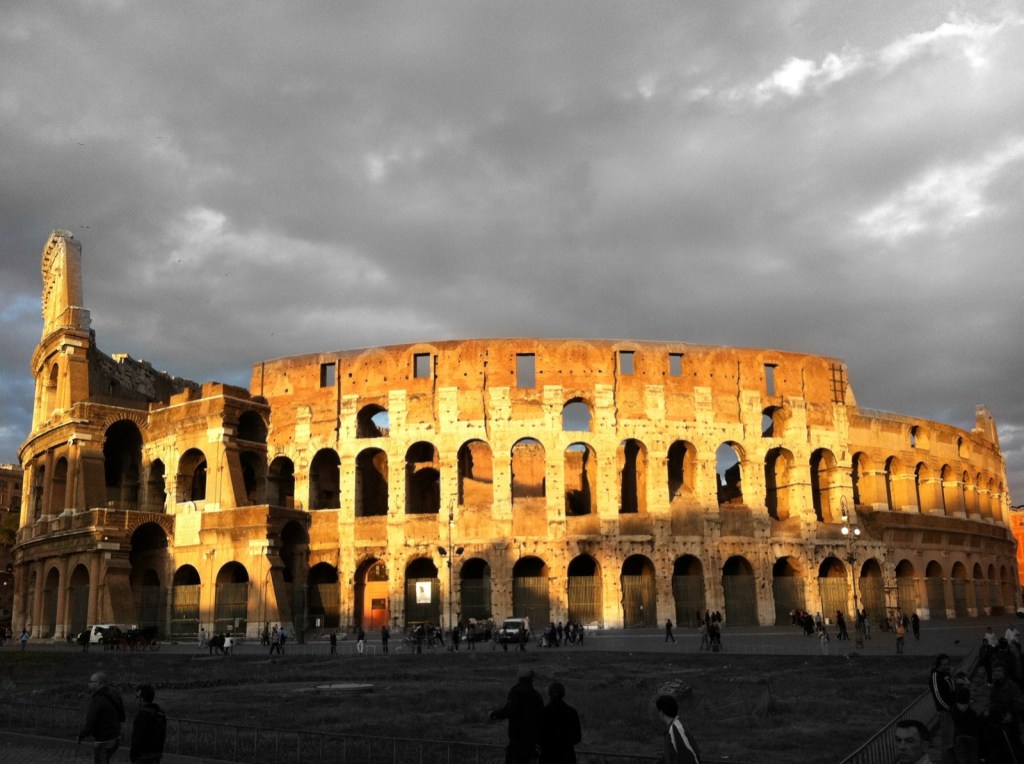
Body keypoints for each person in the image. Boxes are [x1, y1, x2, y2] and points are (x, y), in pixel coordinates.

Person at [489, 667, 544, 764]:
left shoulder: (516, 692)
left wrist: (494, 714)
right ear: (532, 679)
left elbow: (509, 710)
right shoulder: (536, 695)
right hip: (531, 743)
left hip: (517, 742)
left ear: (519, 678)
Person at [78, 671, 126, 764]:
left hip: (103, 740)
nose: (89, 684)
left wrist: (81, 735)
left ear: (99, 683)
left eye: (91, 682)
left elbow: (91, 722)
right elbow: (122, 717)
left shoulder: (98, 700)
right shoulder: (114, 696)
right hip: (116, 738)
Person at [538, 681, 581, 764]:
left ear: (549, 694)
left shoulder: (543, 712)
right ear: (563, 694)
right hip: (567, 757)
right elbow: (577, 738)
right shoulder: (571, 712)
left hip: (547, 757)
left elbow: (538, 736)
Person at [655, 694, 700, 764]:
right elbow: (670, 755)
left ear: (661, 713)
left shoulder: (677, 729)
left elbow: (691, 757)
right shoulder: (672, 729)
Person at [130, 684, 166, 763]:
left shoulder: (142, 715)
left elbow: (137, 738)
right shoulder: (160, 713)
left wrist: (133, 754)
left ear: (142, 699)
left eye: (138, 697)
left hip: (143, 756)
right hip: (156, 754)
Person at [929, 653, 955, 764]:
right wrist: (949, 708)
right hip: (946, 712)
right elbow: (938, 697)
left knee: (952, 737)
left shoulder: (946, 675)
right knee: (947, 740)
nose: (947, 666)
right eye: (944, 664)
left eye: (948, 664)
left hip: (952, 710)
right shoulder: (936, 676)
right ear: (939, 665)